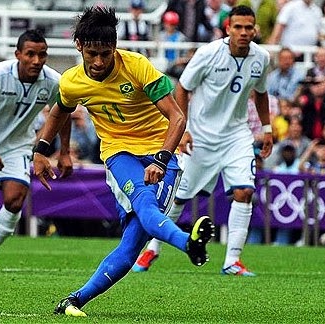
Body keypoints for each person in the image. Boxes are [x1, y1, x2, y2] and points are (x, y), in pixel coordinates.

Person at [31, 6, 214, 317]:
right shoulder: (72, 81)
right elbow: (60, 110)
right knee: (146, 206)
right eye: (92, 54)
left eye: (105, 53)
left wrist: (161, 159)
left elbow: (177, 117)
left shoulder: (138, 66)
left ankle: (74, 300)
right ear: (79, 47)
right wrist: (43, 150)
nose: (99, 61)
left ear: (115, 46)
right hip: (119, 152)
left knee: (131, 245)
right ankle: (189, 244)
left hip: (162, 154)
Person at [132, 6, 272, 277]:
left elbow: (262, 93)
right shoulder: (208, 54)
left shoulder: (261, 58)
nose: (244, 33)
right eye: (238, 27)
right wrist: (183, 130)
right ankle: (152, 248)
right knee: (179, 198)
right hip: (201, 137)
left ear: (255, 29)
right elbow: (182, 88)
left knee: (244, 192)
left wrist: (267, 128)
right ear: (227, 28)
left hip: (237, 136)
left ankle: (232, 260)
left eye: (249, 28)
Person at [0, 30, 73, 271]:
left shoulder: (52, 81)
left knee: (16, 198)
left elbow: (63, 112)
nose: (36, 61)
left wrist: (65, 152)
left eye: (42, 55)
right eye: (30, 54)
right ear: (18, 54)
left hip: (17, 147)